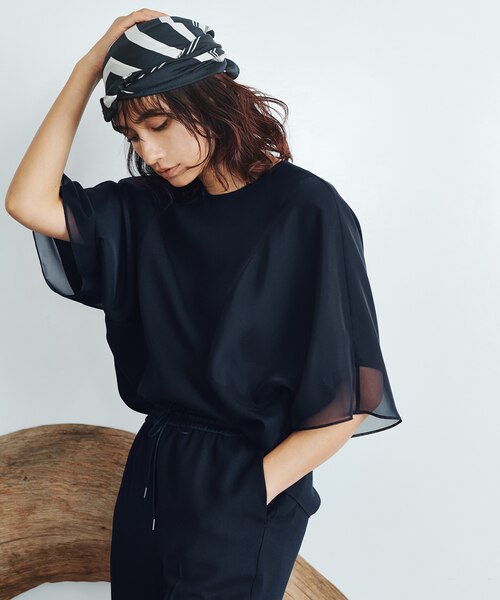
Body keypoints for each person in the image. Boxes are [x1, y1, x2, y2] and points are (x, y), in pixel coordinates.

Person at [5, 9, 403, 600]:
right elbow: (28, 200)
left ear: (209, 100)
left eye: (158, 124)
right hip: (154, 473)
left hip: (247, 474)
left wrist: (247, 492)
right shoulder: (149, 208)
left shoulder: (307, 211)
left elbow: (348, 401)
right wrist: (91, 65)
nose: (149, 152)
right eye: (133, 137)